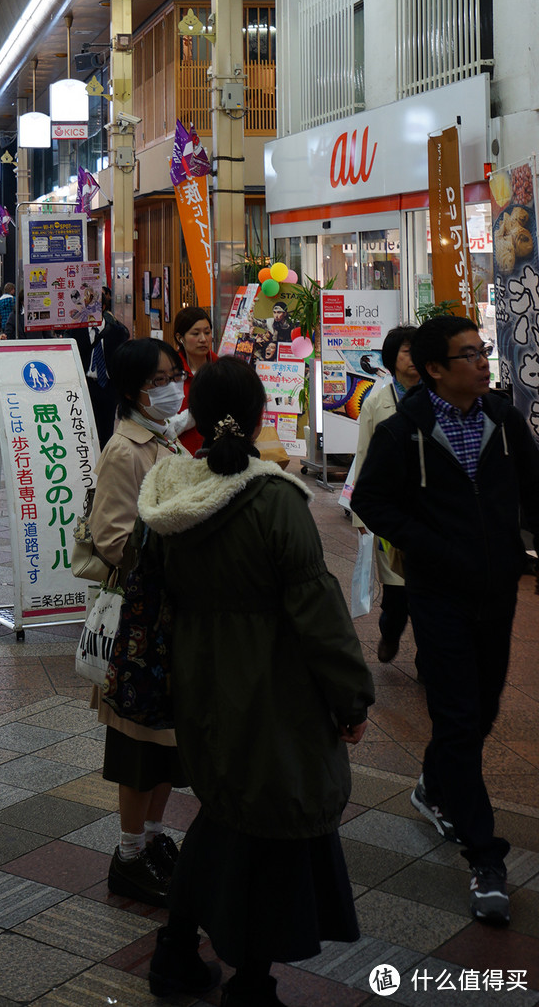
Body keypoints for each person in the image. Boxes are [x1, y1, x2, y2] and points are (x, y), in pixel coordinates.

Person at [141, 357, 374, 1003]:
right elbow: (319, 612)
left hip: (197, 678)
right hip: (273, 688)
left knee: (222, 812)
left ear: (193, 407)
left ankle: (176, 951)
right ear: (258, 416)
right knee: (271, 829)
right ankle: (252, 982)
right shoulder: (274, 501)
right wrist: (352, 695)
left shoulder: (167, 495)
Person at [352, 315, 539, 928]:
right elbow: (370, 500)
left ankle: (435, 784)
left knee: (480, 711)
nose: (484, 362)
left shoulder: (505, 422)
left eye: (483, 351)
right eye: (470, 354)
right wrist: (428, 546)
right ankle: (484, 856)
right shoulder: (407, 428)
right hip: (438, 596)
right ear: (435, 369)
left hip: (498, 590)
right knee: (459, 715)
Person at [87, 338, 187, 908]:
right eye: (158, 380)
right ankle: (127, 857)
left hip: (171, 618)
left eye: (173, 375)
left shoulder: (165, 436)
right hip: (141, 625)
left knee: (168, 743)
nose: (171, 387)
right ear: (131, 392)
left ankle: (150, 840)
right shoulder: (125, 450)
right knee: (139, 747)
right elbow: (111, 539)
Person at [345, 324, 420, 663]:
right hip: (390, 516)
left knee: (426, 594)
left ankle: (427, 661)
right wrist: (361, 515)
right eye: (406, 351)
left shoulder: (436, 396)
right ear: (392, 360)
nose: (414, 358)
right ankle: (391, 630)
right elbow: (363, 456)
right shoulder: (376, 400)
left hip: (425, 510)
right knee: (396, 594)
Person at [73, 304, 130, 446]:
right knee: (86, 425)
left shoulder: (117, 331)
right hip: (86, 385)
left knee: (107, 428)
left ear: (103, 307)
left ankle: (104, 458)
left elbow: (122, 361)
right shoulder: (76, 331)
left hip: (108, 385)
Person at [172, 305, 215, 451]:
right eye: (195, 334)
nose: (203, 339)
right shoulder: (169, 373)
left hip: (218, 455)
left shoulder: (222, 369)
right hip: (181, 456)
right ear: (180, 338)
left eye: (207, 332)